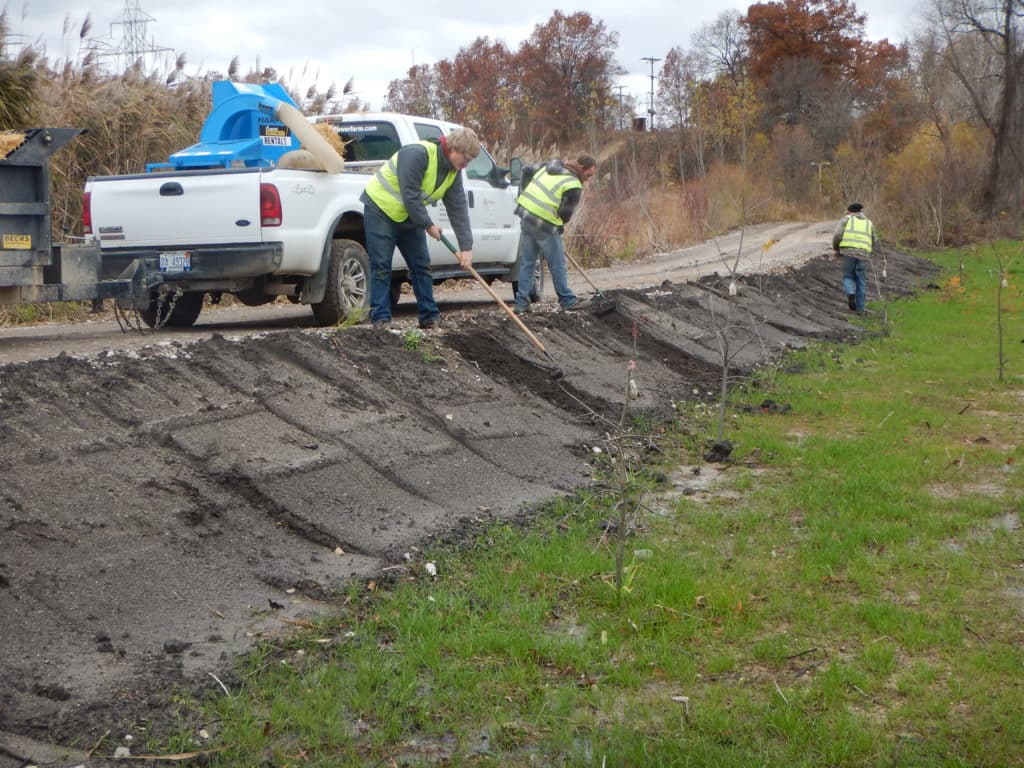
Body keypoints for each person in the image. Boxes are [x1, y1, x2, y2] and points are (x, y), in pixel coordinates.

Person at [362, 127, 480, 330]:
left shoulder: (453, 172)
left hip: (409, 216)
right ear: (453, 148)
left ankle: (429, 317)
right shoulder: (417, 154)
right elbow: (410, 195)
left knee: (421, 265)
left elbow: (458, 209)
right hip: (380, 210)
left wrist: (466, 246)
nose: (465, 164)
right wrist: (428, 225)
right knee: (381, 265)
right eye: (465, 158)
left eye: (470, 160)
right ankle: (380, 319)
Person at [512, 153, 597, 314]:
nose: (588, 179)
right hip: (544, 224)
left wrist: (522, 194)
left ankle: (521, 303)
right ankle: (567, 300)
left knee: (527, 262)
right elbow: (565, 215)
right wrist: (558, 227)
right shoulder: (573, 185)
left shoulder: (552, 165)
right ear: (582, 168)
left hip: (526, 214)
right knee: (557, 263)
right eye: (589, 175)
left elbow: (526, 169)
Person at [832, 201, 877, 312]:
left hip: (847, 253)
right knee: (861, 280)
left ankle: (851, 293)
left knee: (848, 276)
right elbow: (874, 239)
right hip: (863, 255)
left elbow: (837, 235)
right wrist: (867, 249)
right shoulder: (868, 223)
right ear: (860, 212)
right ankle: (860, 309)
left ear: (849, 211)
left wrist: (836, 247)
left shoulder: (846, 219)